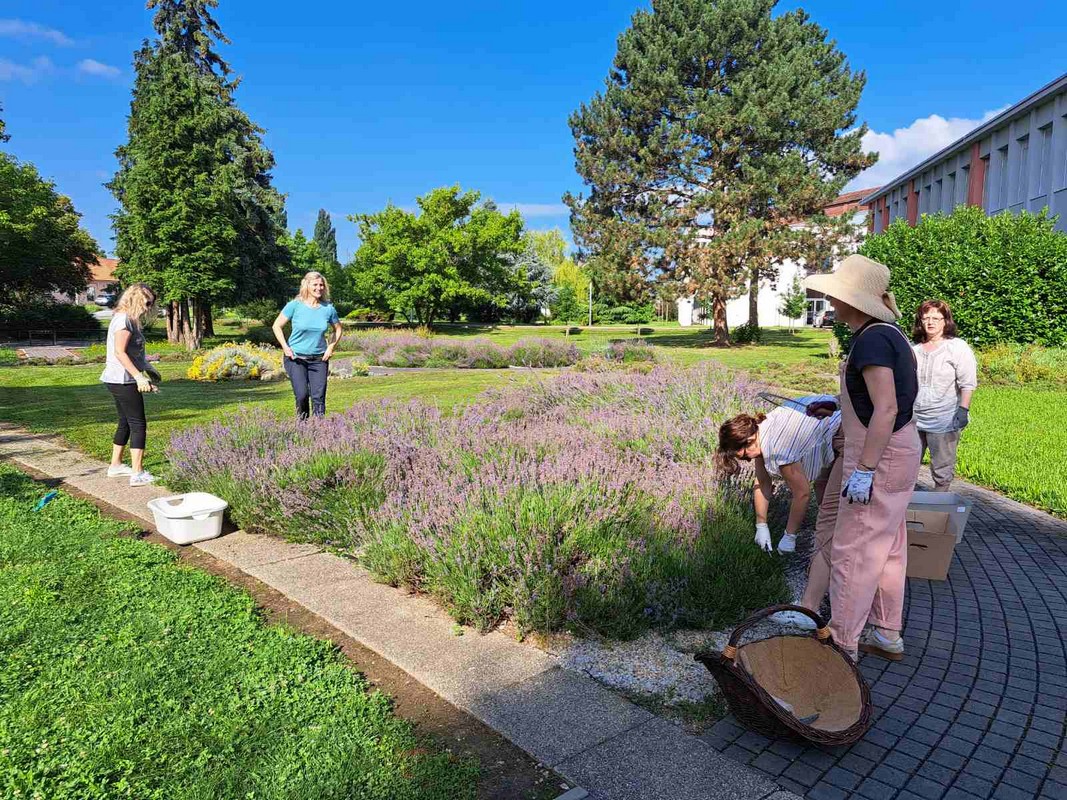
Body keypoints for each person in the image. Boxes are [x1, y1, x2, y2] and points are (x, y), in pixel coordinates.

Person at [799, 254, 921, 662]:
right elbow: (880, 401)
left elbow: (885, 408)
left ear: (855, 300)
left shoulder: (871, 338)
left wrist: (865, 471)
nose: (831, 302)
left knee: (856, 549)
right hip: (895, 450)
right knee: (886, 545)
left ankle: (842, 643)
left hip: (877, 456)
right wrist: (837, 407)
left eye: (836, 296)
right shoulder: (890, 334)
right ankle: (887, 634)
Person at [716, 396, 842, 556]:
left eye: (744, 456)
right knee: (823, 491)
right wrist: (761, 525)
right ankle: (833, 544)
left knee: (831, 505)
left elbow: (802, 493)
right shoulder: (761, 431)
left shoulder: (777, 447)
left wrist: (790, 536)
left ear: (749, 440)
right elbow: (762, 483)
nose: (748, 460)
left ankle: (835, 555)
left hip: (845, 431)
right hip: (830, 428)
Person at [911, 300, 977, 492]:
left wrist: (963, 410)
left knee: (942, 470)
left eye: (936, 318)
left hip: (944, 419)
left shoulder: (957, 348)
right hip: (915, 418)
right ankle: (907, 512)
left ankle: (937, 513)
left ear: (945, 321)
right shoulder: (914, 349)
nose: (930, 322)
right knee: (906, 466)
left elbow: (968, 382)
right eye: (926, 318)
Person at [100, 283, 160, 487]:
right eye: (146, 302)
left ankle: (115, 466)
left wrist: (148, 369)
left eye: (151, 303)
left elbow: (134, 352)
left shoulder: (129, 320)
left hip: (119, 379)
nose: (148, 307)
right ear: (134, 298)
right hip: (121, 379)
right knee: (138, 424)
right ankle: (138, 473)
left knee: (125, 421)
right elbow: (120, 352)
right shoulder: (124, 320)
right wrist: (139, 377)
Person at [272, 271, 343, 419]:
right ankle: (303, 427)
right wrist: (285, 347)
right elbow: (276, 326)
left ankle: (319, 429)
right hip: (296, 358)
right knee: (302, 394)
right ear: (307, 285)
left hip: (319, 360)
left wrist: (330, 347)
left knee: (319, 397)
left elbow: (338, 329)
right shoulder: (294, 306)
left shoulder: (328, 308)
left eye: (321, 285)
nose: (319, 288)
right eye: (315, 284)